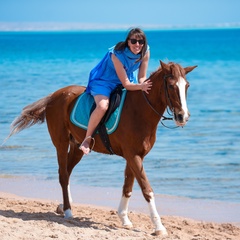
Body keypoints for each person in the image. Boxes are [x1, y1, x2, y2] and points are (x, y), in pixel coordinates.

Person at [80, 27, 152, 155]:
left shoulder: (145, 51)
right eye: (134, 41)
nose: (137, 45)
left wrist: (144, 85)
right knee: (102, 106)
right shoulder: (116, 54)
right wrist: (139, 87)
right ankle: (87, 139)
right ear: (128, 42)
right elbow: (126, 84)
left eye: (141, 42)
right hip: (105, 81)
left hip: (127, 79)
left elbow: (141, 77)